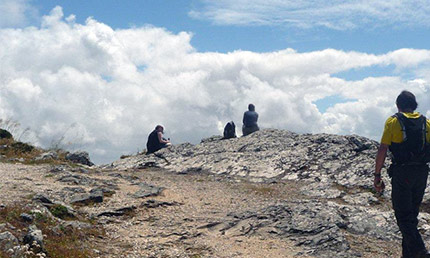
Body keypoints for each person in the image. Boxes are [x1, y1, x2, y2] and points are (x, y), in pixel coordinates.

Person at [374, 90, 430, 258]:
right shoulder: (426, 123)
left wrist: (377, 175)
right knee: (411, 216)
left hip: (402, 172)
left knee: (403, 216)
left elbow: (383, 148)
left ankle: (421, 251)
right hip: (421, 172)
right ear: (414, 106)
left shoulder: (393, 122)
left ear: (398, 105)